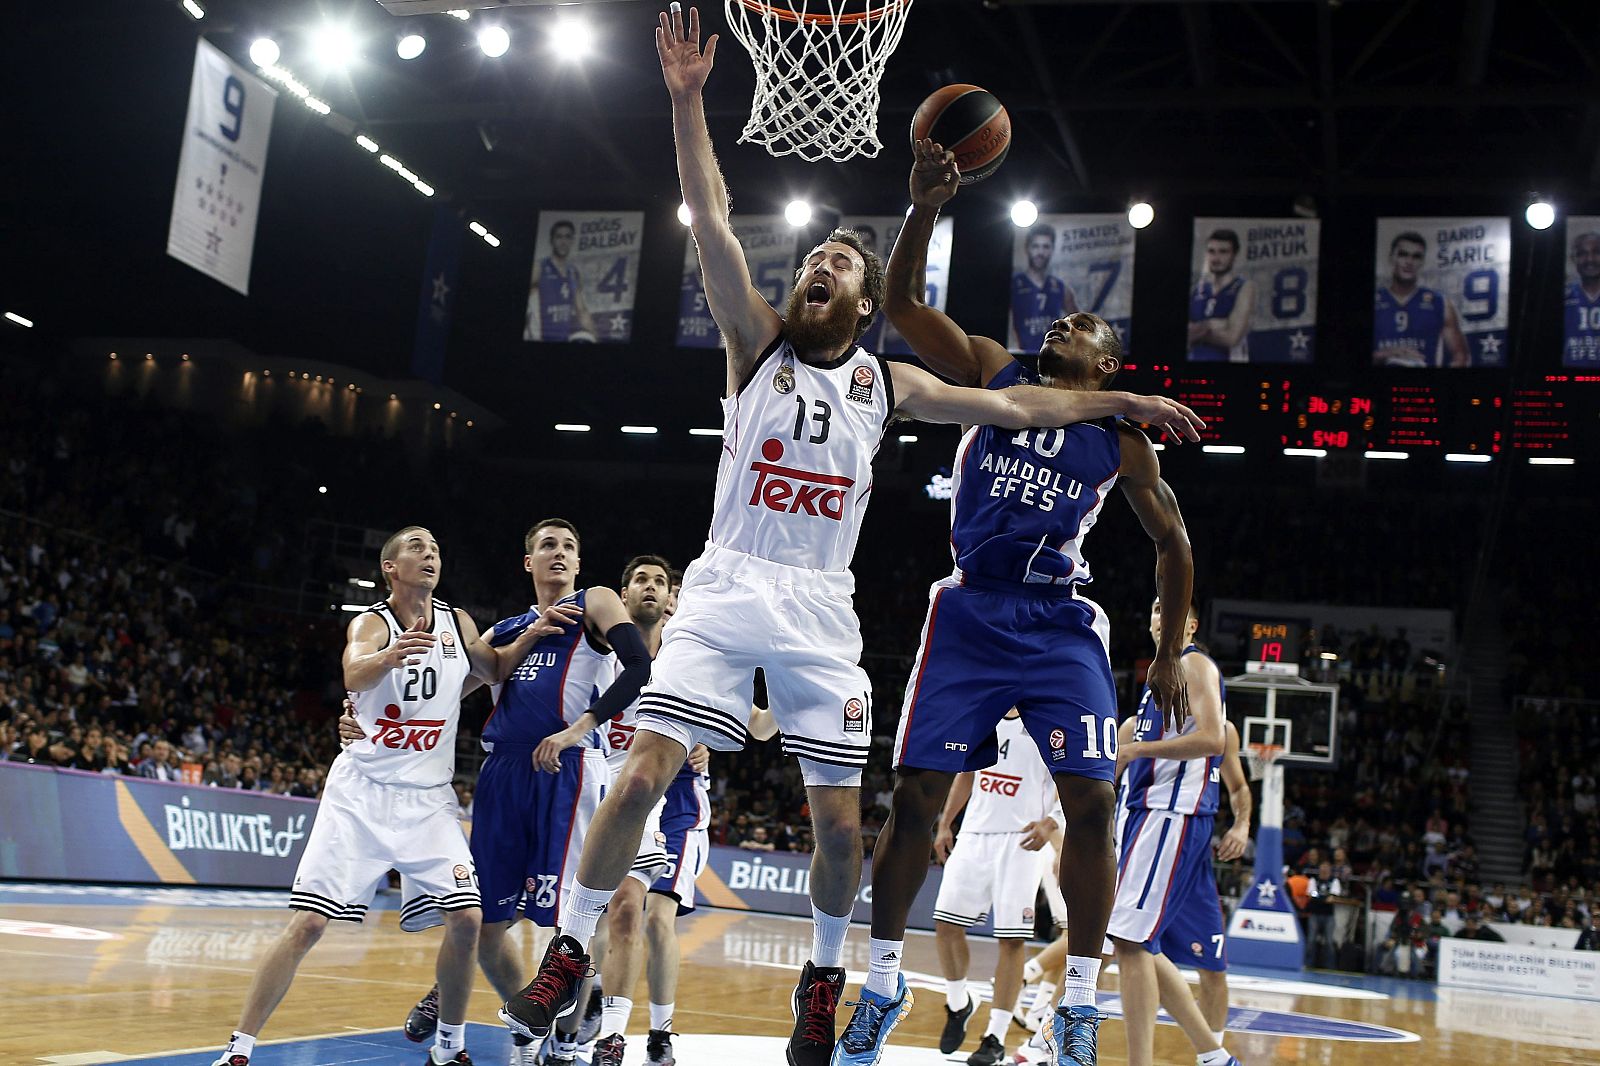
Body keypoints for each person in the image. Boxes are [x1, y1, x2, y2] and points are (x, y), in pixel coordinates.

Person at [501, 13, 1205, 1066]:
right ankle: (566, 953)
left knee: (840, 825)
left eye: (838, 260)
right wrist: (689, 100)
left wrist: (1131, 400)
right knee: (645, 764)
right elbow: (707, 214)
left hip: (825, 610)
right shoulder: (755, 345)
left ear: (865, 303)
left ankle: (825, 977)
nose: (817, 264)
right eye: (814, 256)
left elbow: (1021, 412)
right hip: (732, 584)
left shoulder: (889, 381)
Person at [831, 138, 1202, 1066]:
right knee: (914, 797)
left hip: (1058, 623)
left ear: (1109, 361)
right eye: (1064, 317)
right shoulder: (996, 369)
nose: (1065, 322)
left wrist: (1161, 656)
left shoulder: (1123, 441)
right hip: (968, 611)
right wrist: (922, 208)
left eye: (1085, 323)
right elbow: (908, 305)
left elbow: (1175, 543)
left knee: (1092, 800)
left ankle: (1078, 1005)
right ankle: (883, 981)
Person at [210, 526, 536, 1066]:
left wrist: (533, 632)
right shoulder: (371, 623)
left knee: (468, 919)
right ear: (390, 567)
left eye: (435, 549)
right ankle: (238, 1049)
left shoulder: (458, 622)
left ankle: (449, 1048)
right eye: (417, 548)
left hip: (428, 799)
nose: (430, 555)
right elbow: (352, 671)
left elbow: (493, 668)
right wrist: (390, 657)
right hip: (360, 796)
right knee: (309, 923)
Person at [380, 520, 653, 1066]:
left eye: (569, 547)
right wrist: (362, 717)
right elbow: (443, 694)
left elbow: (639, 666)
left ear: (578, 563)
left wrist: (580, 728)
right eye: (547, 546)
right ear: (527, 562)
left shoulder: (594, 602)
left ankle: (567, 1045)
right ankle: (534, 1029)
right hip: (503, 774)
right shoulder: (506, 630)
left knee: (573, 923)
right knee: (481, 923)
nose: (559, 554)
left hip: (567, 769)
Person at [1106, 599, 1235, 1066]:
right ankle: (1213, 1055)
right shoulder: (1157, 678)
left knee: (1130, 941)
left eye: (1170, 609)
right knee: (1134, 940)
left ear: (1192, 624)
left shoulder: (1193, 663)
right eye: (1155, 609)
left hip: (1171, 812)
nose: (1160, 616)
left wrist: (1139, 750)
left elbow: (1213, 738)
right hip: (1145, 815)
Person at [930, 709, 1061, 1066]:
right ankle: (959, 1003)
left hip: (1021, 839)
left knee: (1011, 939)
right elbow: (966, 774)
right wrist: (945, 823)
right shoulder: (983, 715)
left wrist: (1052, 822)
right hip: (974, 834)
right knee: (946, 925)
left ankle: (995, 1037)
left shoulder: (1047, 719)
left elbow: (1072, 776)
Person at [1372, 231, 1469, 367]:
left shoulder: (1439, 303)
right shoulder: (1376, 299)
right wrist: (1386, 355)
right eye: (1403, 254)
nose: (1409, 262)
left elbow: (1460, 356)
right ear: (1391, 258)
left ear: (1422, 262)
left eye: (1416, 257)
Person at [1186, 229, 1255, 363]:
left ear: (1235, 254)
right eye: (1211, 251)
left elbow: (1232, 338)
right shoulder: (1197, 290)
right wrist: (1211, 325)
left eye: (1223, 252)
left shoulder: (1244, 287)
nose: (1216, 258)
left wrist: (1199, 330)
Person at [1011, 223, 1079, 353]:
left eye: (1046, 247)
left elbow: (1078, 325)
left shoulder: (1060, 287)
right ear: (1027, 248)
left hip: (1052, 359)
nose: (1040, 252)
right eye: (1035, 246)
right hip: (1019, 356)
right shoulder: (1014, 284)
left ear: (1052, 249)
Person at [528, 218, 598, 342]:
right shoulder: (539, 268)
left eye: (567, 237)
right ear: (552, 240)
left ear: (572, 241)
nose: (563, 242)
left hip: (563, 339)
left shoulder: (573, 272)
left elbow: (581, 311)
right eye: (559, 237)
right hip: (539, 338)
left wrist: (596, 338)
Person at [1564, 230, 1600, 366]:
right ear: (1574, 259)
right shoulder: (1564, 297)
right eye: (1582, 254)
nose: (1590, 259)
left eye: (1596, 252)